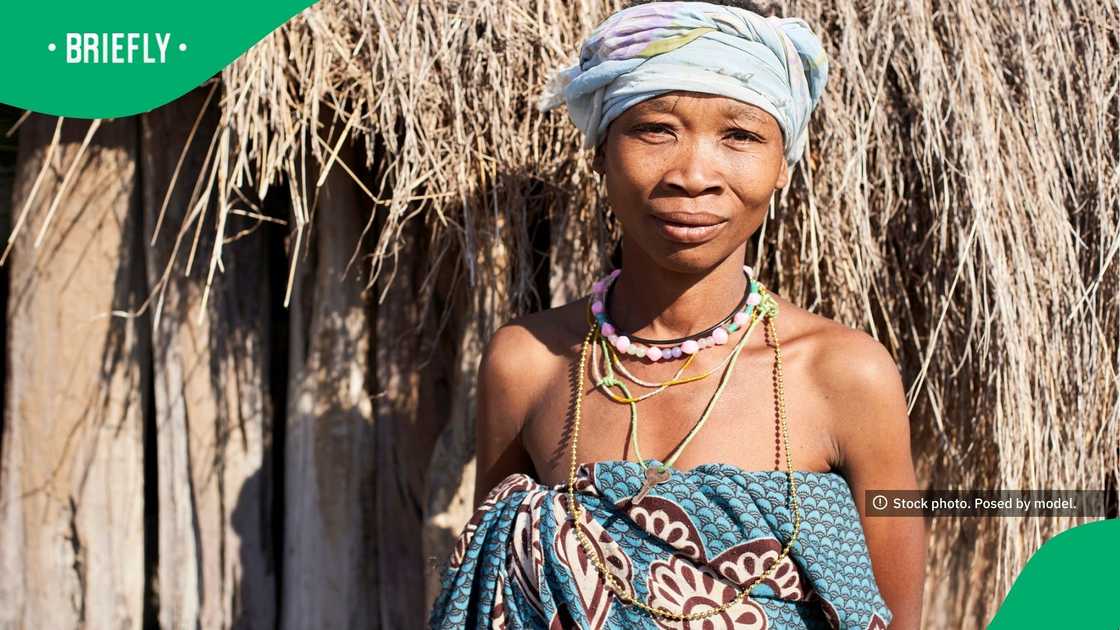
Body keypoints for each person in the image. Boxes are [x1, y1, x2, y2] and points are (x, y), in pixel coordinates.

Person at [429, 1, 926, 628]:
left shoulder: (843, 375)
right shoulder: (528, 363)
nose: (694, 175)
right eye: (655, 129)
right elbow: (491, 594)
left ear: (784, 166)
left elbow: (898, 616)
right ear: (600, 154)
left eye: (740, 135)